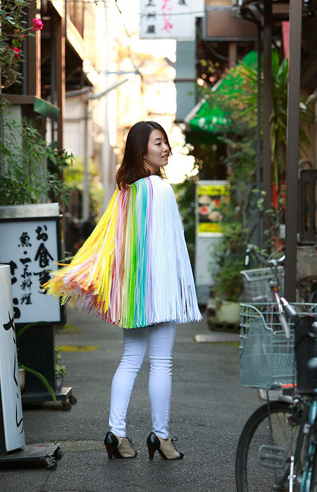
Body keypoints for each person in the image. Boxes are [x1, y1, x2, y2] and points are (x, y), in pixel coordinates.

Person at [45, 120, 201, 461]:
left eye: (164, 142)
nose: (164, 148)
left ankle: (116, 433)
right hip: (158, 292)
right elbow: (169, 247)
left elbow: (116, 245)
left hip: (133, 293)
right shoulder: (160, 190)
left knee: (130, 360)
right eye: (157, 143)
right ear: (141, 150)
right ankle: (161, 437)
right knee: (161, 363)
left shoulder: (125, 192)